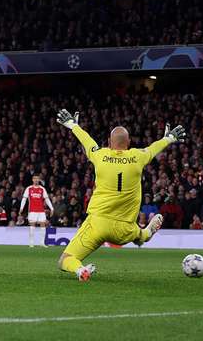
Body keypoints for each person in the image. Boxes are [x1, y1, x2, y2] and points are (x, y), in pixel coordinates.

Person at [55, 109, 186, 282]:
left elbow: (87, 141)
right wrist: (169, 138)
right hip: (124, 229)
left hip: (98, 224)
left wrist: (73, 125)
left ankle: (80, 270)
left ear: (109, 142)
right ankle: (146, 233)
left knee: (65, 260)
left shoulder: (100, 155)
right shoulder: (138, 156)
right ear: (129, 142)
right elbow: (153, 148)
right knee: (139, 238)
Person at [20, 175, 54, 247]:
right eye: (34, 178)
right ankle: (31, 243)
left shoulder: (42, 189)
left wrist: (52, 208)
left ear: (39, 180)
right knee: (32, 225)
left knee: (43, 225)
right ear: (32, 180)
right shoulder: (29, 188)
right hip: (32, 210)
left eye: (37, 179)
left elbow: (47, 199)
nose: (36, 180)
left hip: (41, 210)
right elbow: (24, 199)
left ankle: (42, 242)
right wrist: (21, 208)